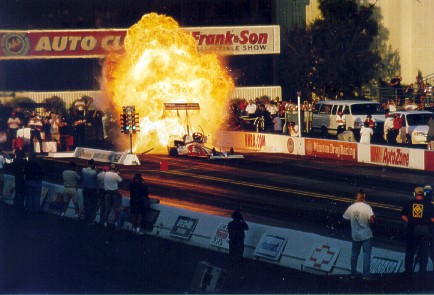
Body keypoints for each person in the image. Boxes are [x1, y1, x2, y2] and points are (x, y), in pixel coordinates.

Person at [401, 187, 434, 279]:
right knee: (424, 252)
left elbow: (403, 216)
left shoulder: (409, 203)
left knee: (410, 251)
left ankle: (408, 272)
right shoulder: (429, 205)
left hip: (412, 230)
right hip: (424, 230)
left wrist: (411, 221)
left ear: (415, 194)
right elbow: (432, 219)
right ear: (423, 194)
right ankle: (422, 272)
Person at [343, 189, 375, 280]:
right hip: (366, 234)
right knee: (366, 255)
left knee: (354, 254)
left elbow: (346, 217)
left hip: (355, 235)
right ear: (364, 196)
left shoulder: (351, 207)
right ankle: (365, 275)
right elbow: (372, 220)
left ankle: (353, 273)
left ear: (356, 197)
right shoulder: (367, 207)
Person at [102, 163, 122, 228]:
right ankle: (115, 223)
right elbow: (121, 181)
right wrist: (118, 174)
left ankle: (105, 222)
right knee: (116, 209)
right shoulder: (116, 175)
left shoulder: (105, 174)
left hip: (107, 193)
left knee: (107, 209)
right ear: (115, 169)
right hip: (114, 194)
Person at [82, 159, 98, 225]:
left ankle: (86, 218)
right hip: (92, 190)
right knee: (93, 205)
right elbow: (96, 175)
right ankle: (91, 220)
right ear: (93, 165)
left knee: (86, 205)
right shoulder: (94, 172)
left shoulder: (83, 170)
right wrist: (95, 168)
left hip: (86, 189)